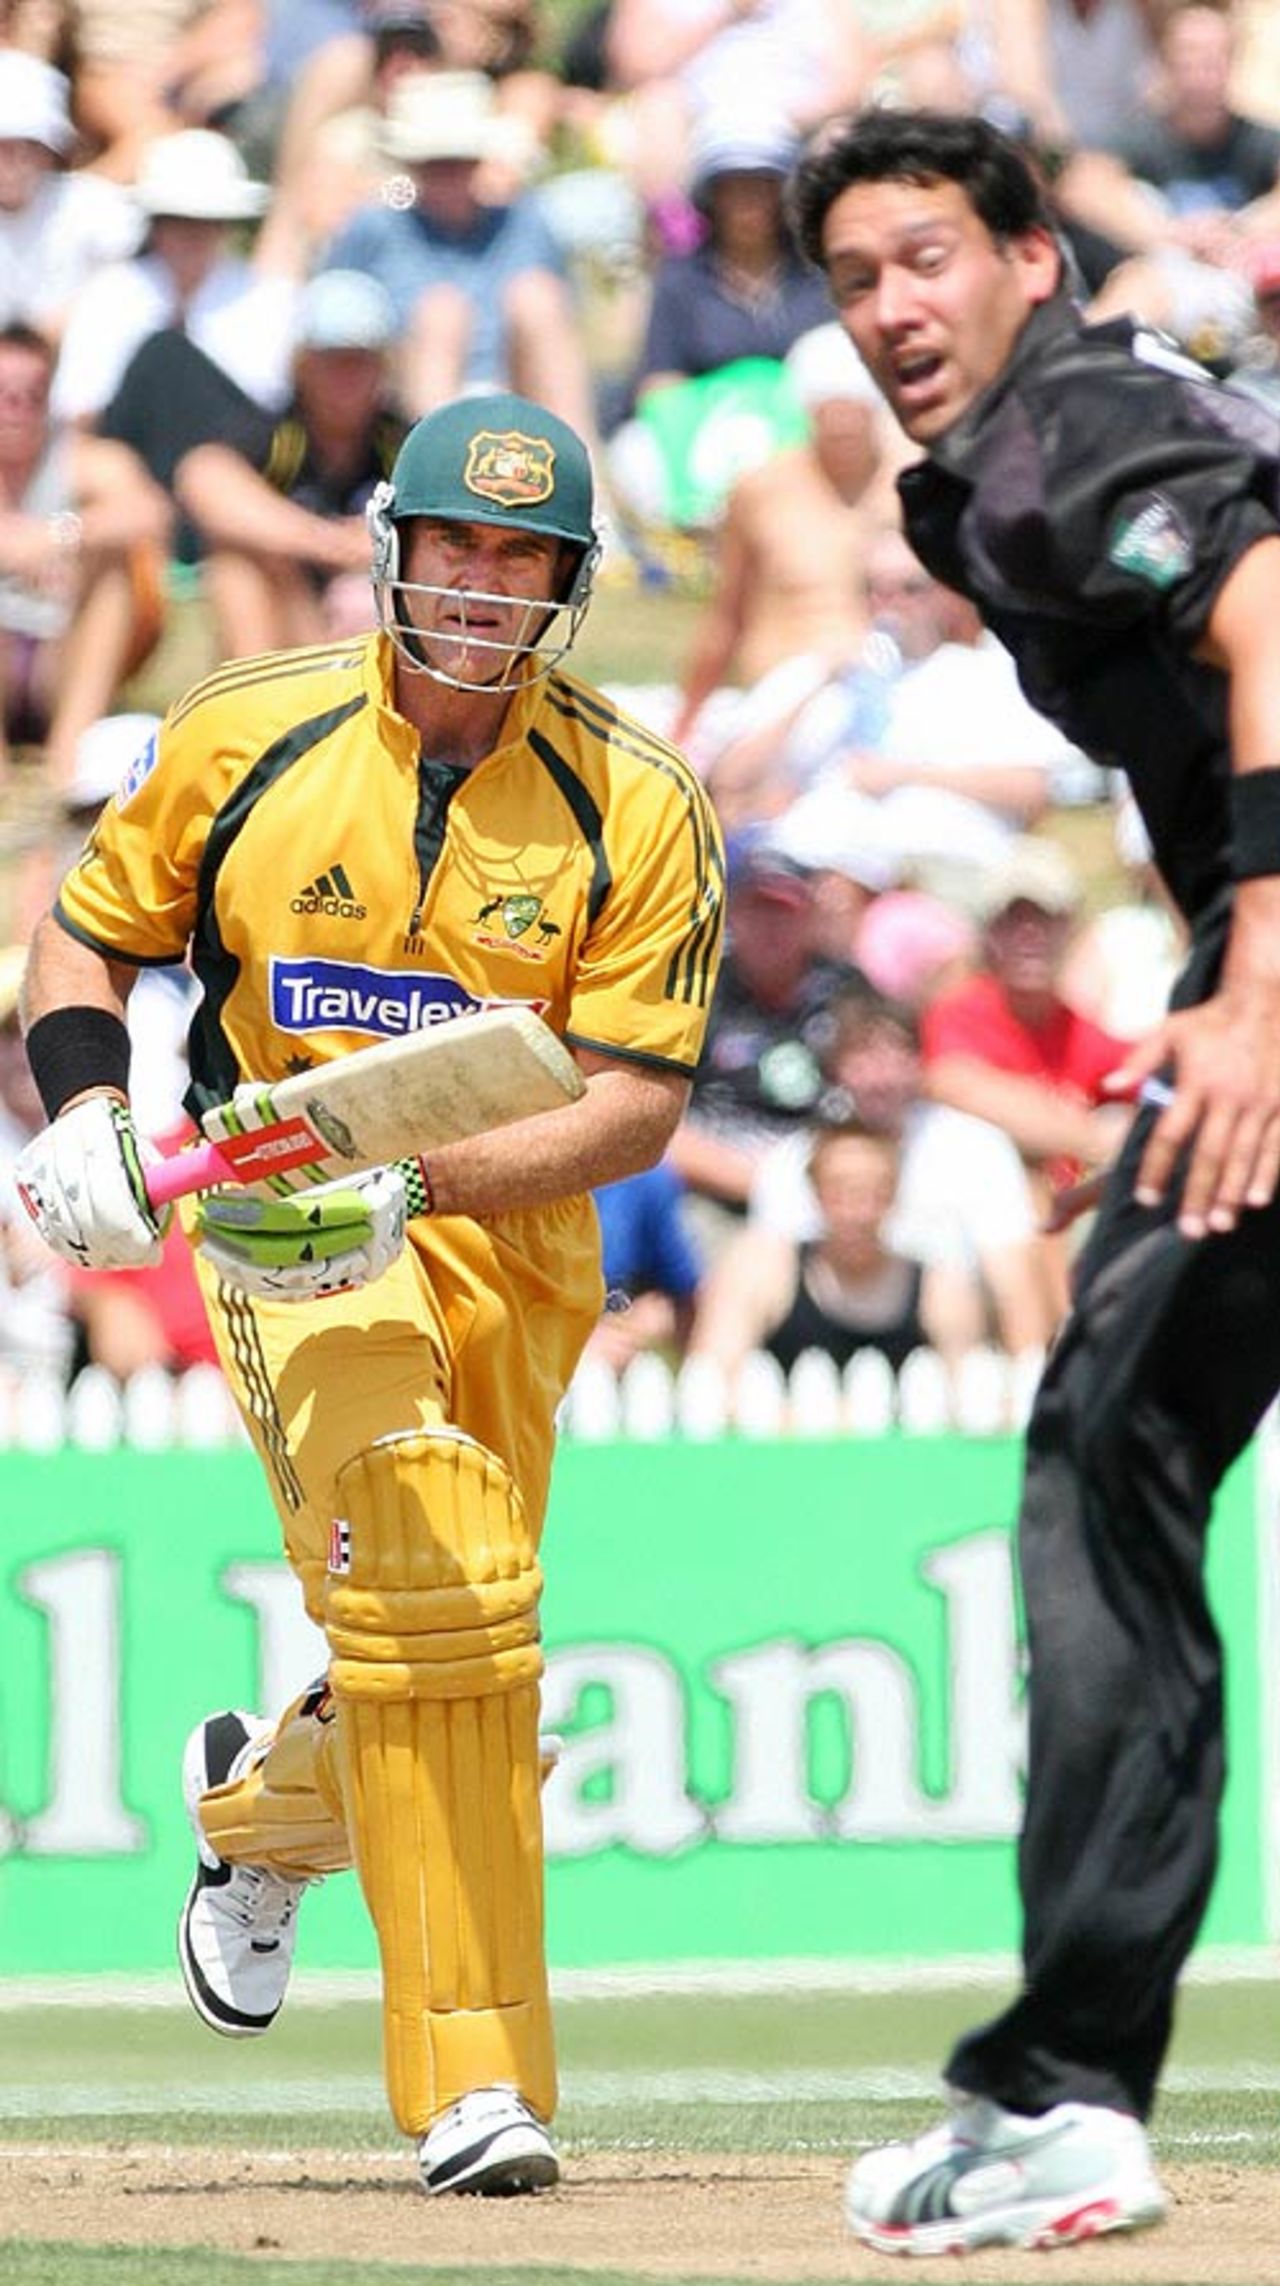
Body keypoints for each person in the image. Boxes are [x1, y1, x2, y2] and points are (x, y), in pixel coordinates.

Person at [12, 390, 724, 2195]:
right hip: (280, 1237)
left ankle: (258, 1814)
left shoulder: (637, 801)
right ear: (394, 545)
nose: (487, 589)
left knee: (456, 1649)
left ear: (569, 583)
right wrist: (89, 1103)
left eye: (527, 557)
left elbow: (635, 1107)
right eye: (461, 545)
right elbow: (90, 925)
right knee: (439, 1570)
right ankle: (476, 2084)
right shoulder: (245, 726)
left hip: (512, 1246)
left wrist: (411, 1176)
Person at [790, 101, 1280, 2254]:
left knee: (1107, 1457)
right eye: (850, 279)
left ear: (1027, 261)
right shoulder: (1007, 464)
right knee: (1124, 1428)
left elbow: (1276, 608)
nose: (890, 307)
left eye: (924, 258)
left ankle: (1071, 2098)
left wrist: (1257, 983)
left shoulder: (1069, 424)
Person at [174, 267, 407, 655]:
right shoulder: (281, 435)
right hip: (291, 611)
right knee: (237, 563)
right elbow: (201, 475)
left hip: (373, 619)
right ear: (302, 364)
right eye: (332, 360)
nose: (346, 377)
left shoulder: (400, 443)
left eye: (360, 361)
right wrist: (327, 541)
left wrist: (385, 547)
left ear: (383, 366)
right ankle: (257, 700)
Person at [690, 1114, 980, 1392]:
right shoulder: (762, 1269)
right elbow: (712, 1380)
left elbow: (973, 1394)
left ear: (894, 1193)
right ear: (814, 1192)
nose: (857, 1210)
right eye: (840, 1191)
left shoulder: (940, 1286)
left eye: (873, 1192)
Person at [0, 322, 172, 790]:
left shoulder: (82, 458)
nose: (15, 409)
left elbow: (150, 514)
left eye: (30, 394)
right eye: (4, 394)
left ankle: (66, 764)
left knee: (117, 568)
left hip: (61, 658)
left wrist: (56, 535)